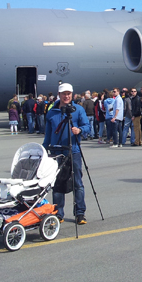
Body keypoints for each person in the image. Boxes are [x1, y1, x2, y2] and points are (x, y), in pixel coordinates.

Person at [43, 83, 91, 224]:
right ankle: (58, 213)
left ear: (72, 95)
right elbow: (48, 133)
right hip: (56, 151)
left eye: (69, 93)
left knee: (77, 182)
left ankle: (80, 212)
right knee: (57, 183)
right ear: (59, 95)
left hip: (73, 151)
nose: (66, 96)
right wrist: (44, 148)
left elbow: (87, 126)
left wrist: (80, 130)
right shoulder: (52, 112)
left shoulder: (78, 110)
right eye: (64, 93)